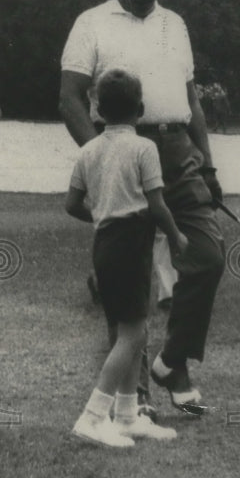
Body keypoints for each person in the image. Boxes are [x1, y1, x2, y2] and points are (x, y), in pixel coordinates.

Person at [59, 0, 225, 416]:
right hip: (124, 146)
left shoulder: (175, 24)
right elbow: (70, 97)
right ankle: (136, 398)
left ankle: (172, 362)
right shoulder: (90, 23)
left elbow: (191, 100)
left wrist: (208, 164)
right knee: (132, 280)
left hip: (179, 151)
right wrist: (103, 154)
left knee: (208, 256)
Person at [66, 70, 187, 446]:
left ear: (98, 110)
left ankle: (127, 415)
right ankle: (92, 416)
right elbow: (157, 204)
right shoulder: (144, 149)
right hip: (133, 241)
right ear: (141, 109)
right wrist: (177, 237)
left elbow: (71, 204)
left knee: (130, 329)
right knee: (133, 333)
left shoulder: (88, 150)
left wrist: (103, 214)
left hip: (104, 243)